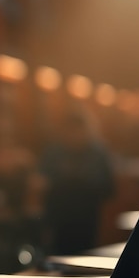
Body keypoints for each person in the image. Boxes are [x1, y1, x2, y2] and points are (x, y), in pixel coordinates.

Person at [39, 108, 116, 255]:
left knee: (86, 257)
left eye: (78, 130)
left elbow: (109, 188)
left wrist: (83, 184)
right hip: (59, 220)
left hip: (87, 218)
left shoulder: (98, 153)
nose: (74, 135)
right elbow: (43, 182)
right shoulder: (54, 152)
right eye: (70, 130)